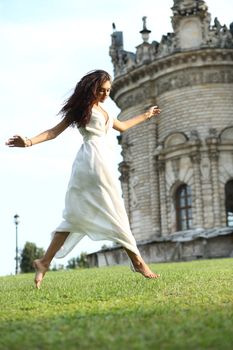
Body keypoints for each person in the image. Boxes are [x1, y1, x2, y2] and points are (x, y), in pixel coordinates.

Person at [6, 69, 161, 288]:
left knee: (75, 216)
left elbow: (123, 126)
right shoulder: (82, 109)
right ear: (92, 89)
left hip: (102, 162)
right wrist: (28, 142)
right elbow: (53, 132)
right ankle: (138, 262)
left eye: (108, 91)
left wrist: (146, 115)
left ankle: (44, 262)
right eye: (101, 90)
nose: (105, 94)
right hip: (91, 163)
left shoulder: (103, 110)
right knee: (115, 210)